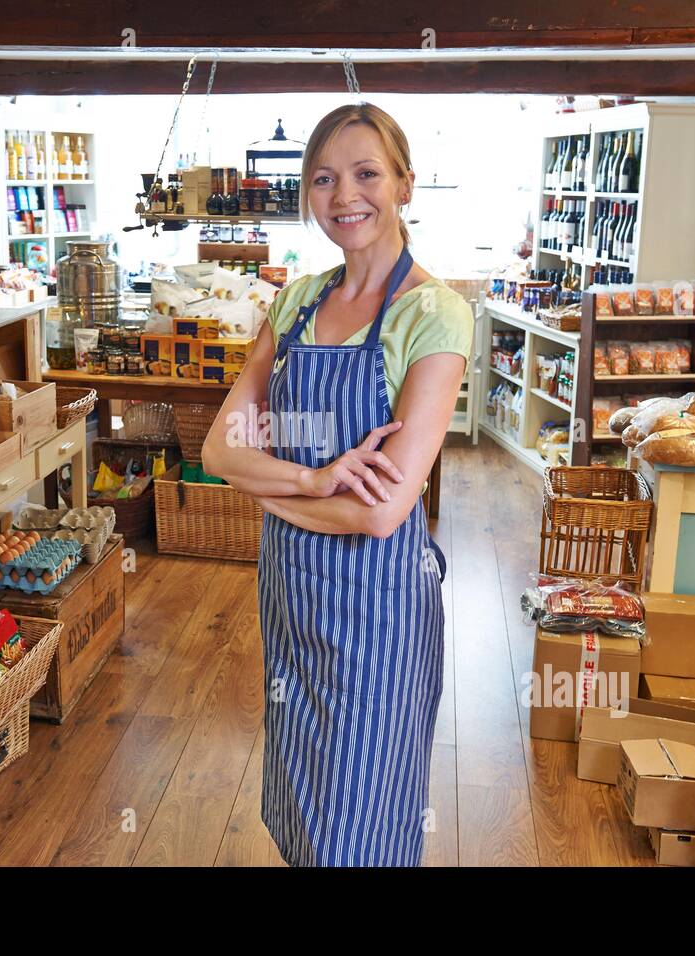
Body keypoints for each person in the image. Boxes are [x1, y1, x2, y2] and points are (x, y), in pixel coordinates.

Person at [201, 103, 474, 866]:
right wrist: (315, 479)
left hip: (378, 607)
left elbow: (384, 512)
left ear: (405, 185)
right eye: (323, 179)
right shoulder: (294, 303)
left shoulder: (433, 315)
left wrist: (271, 493)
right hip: (291, 594)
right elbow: (220, 448)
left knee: (366, 805)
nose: (344, 195)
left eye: (365, 174)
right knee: (303, 795)